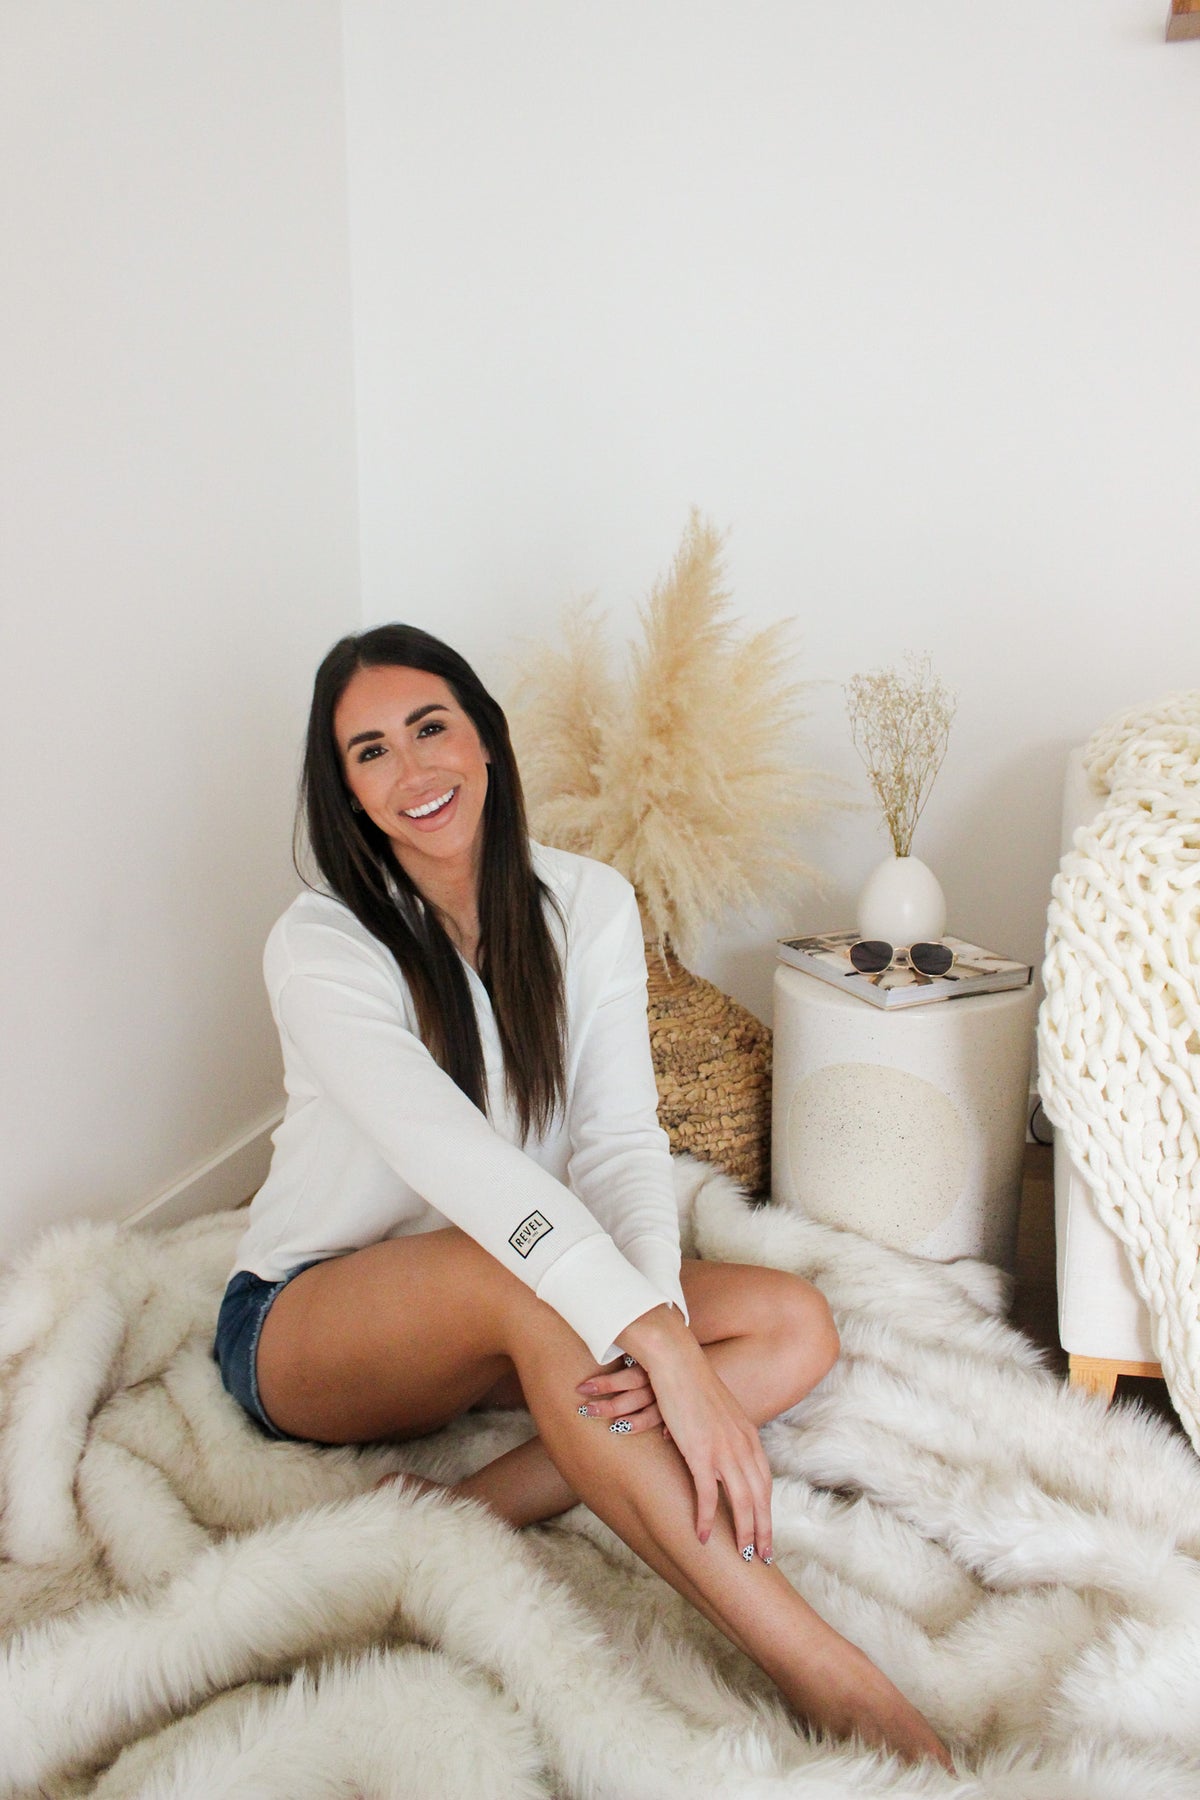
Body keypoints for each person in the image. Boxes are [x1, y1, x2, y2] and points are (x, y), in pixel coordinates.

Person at [214, 623, 951, 1769]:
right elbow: (467, 1171)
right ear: (347, 792)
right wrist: (658, 1346)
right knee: (523, 1271)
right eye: (370, 752)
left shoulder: (587, 902)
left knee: (792, 1324)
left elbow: (615, 1142)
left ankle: (470, 1508)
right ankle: (830, 1673)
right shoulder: (320, 947)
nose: (412, 770)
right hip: (311, 1325)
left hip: (502, 1304)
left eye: (430, 728)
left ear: (486, 739)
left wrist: (660, 1326)